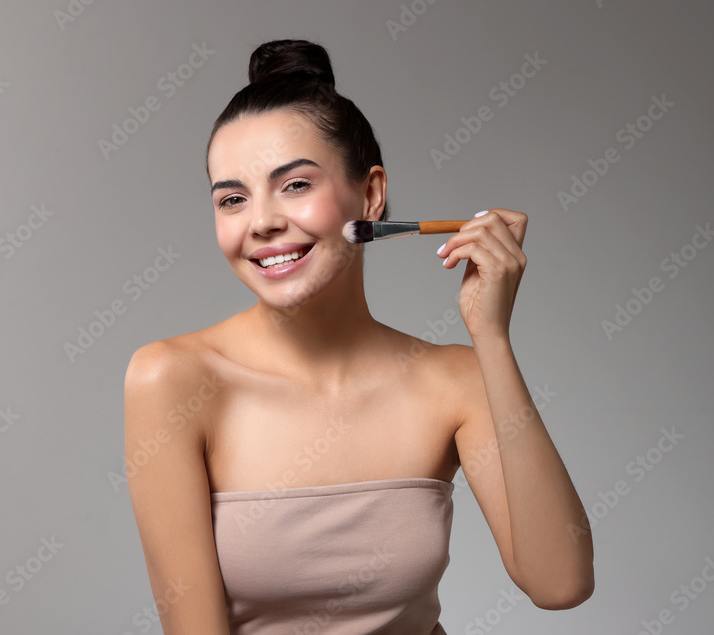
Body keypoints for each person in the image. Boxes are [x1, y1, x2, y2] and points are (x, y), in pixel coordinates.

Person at [125, 38, 594, 634]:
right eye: (233, 199)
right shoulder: (173, 379)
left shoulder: (455, 380)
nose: (262, 221)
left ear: (370, 195)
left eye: (295, 185)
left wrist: (492, 338)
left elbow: (561, 582)